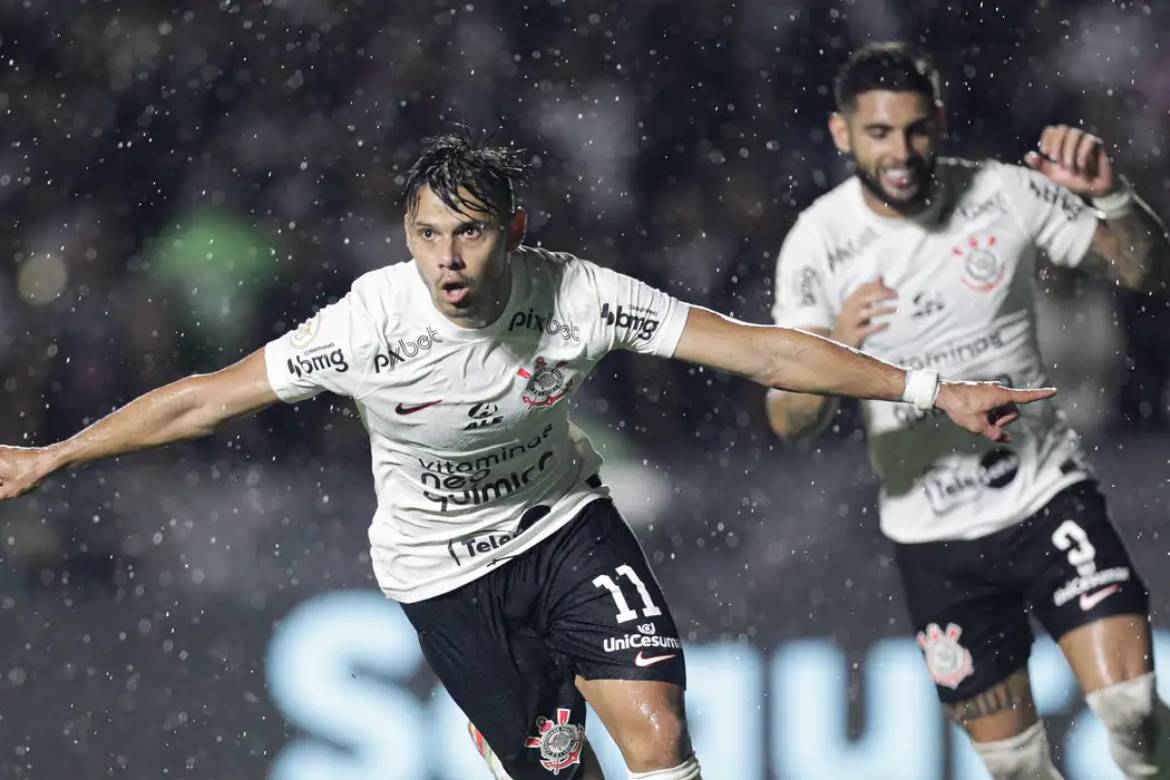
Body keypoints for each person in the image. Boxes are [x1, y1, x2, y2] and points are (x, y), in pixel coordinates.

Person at [0, 133, 1050, 780]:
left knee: (656, 727)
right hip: (442, 571)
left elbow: (757, 348)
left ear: (514, 228)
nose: (447, 261)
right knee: (558, 768)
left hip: (562, 524)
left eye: (467, 233)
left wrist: (930, 389)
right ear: (404, 236)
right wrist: (53, 458)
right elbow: (201, 402)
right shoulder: (369, 322)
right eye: (424, 235)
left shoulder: (578, 294)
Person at [766, 42, 1170, 780]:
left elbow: (1144, 267)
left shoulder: (1003, 193)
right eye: (880, 133)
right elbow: (788, 422)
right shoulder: (816, 247)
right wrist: (833, 352)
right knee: (1017, 767)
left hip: (1047, 498)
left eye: (917, 130)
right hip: (936, 542)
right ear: (841, 134)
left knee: (1135, 713)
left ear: (941, 123)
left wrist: (1113, 198)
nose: (901, 152)